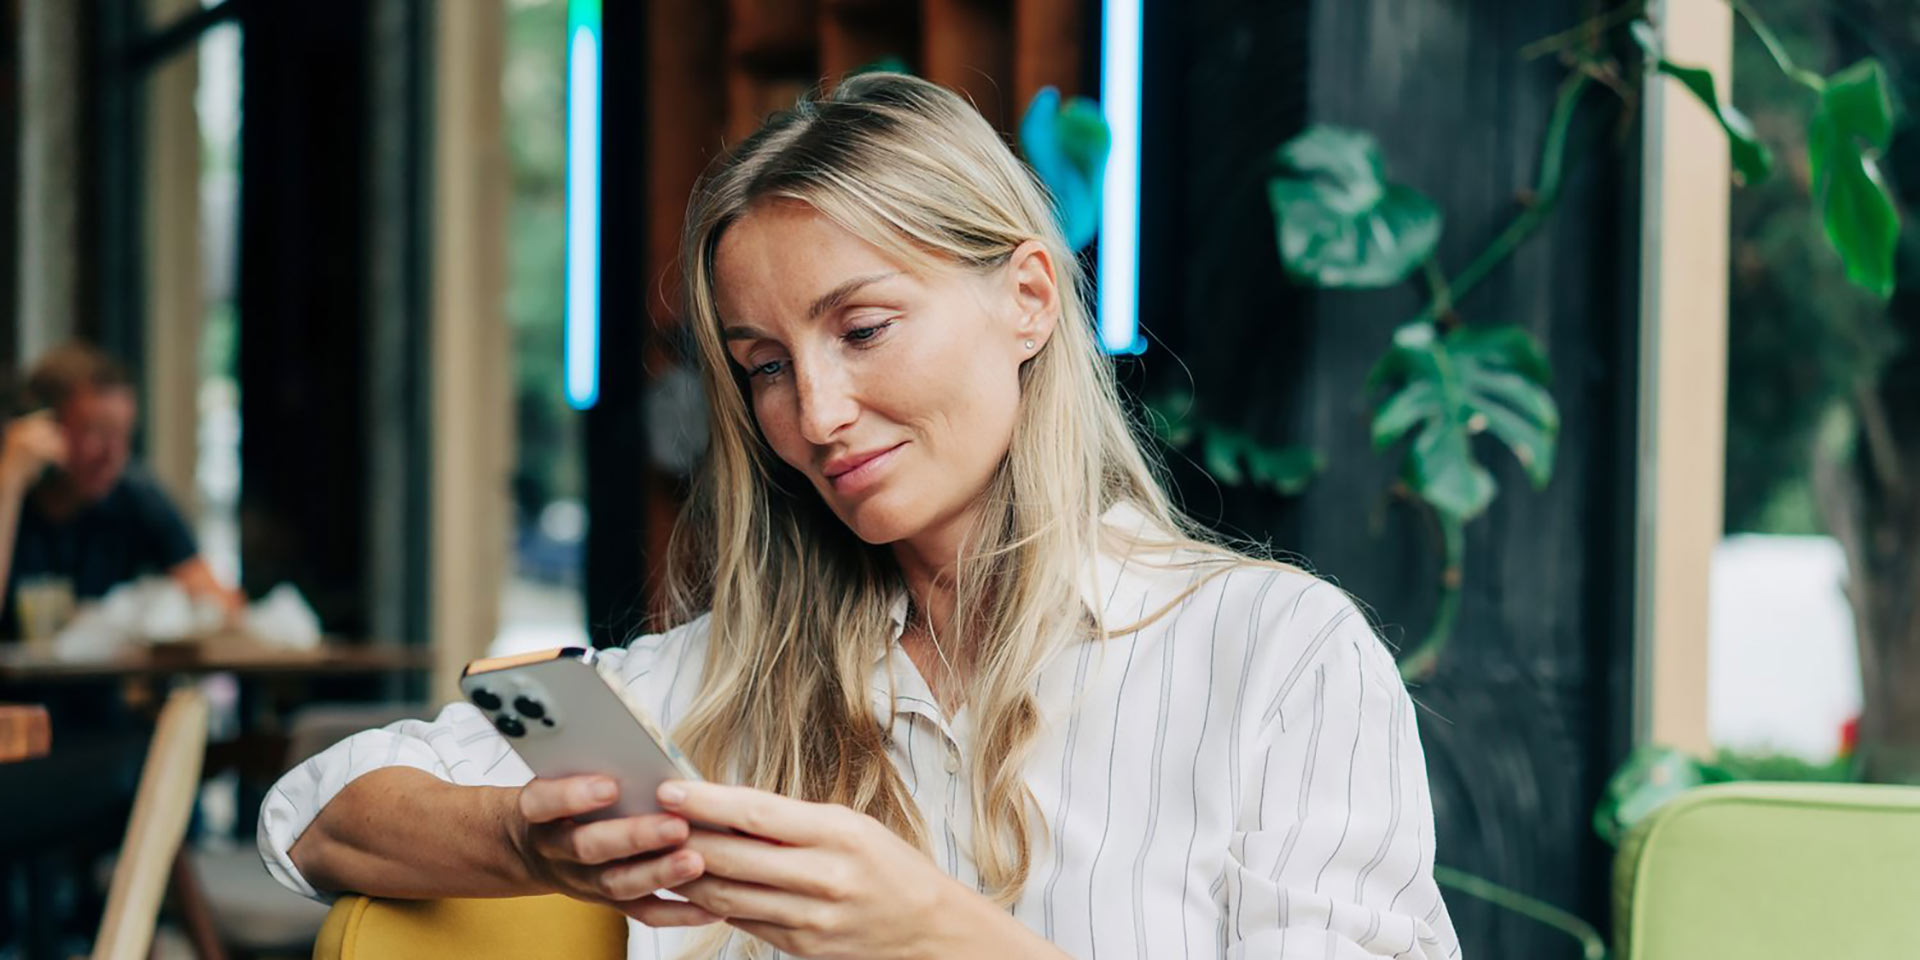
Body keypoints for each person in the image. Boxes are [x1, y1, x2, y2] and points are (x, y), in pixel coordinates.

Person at [259, 74, 1461, 959]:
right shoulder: (712, 676)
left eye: (864, 328)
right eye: (764, 365)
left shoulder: (1279, 656)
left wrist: (937, 934)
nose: (817, 414)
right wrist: (534, 843)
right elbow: (315, 810)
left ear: (1029, 298)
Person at [0, 342, 240, 638]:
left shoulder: (133, 493)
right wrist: (9, 482)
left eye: (123, 434)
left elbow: (223, 603)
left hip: (96, 683)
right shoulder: (9, 489)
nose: (113, 454)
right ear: (39, 426)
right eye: (97, 431)